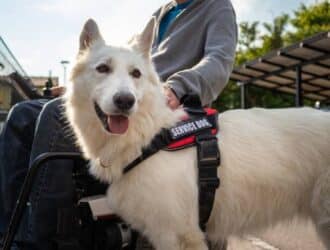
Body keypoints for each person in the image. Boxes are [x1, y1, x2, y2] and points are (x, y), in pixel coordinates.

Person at [0, 0, 237, 249]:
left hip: (162, 105)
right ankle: (9, 234)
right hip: (130, 91)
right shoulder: (162, 13)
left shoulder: (216, 6)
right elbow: (123, 63)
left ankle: (45, 240)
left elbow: (219, 62)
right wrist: (84, 85)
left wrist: (177, 87)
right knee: (22, 115)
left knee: (55, 115)